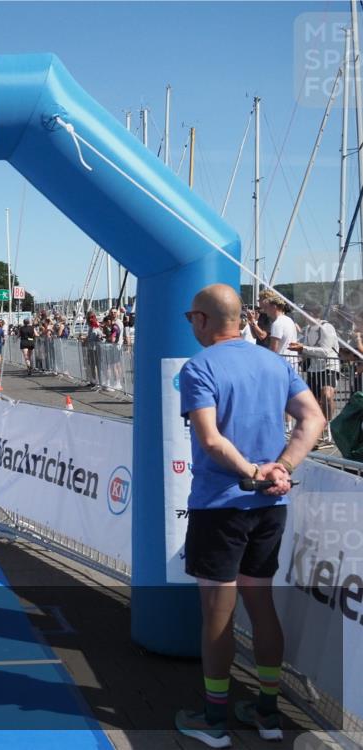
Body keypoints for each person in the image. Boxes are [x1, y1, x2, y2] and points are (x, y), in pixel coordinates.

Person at [175, 284, 326, 748]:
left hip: (223, 506)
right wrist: (282, 468)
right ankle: (267, 713)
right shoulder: (274, 362)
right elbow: (314, 419)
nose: (191, 325)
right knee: (261, 605)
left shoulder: (199, 367)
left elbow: (211, 439)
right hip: (270, 506)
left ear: (202, 319)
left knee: (217, 613)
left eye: (190, 318)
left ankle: (214, 720)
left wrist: (256, 473)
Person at [289, 303, 340, 425]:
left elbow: (326, 351)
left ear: (310, 314)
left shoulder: (326, 327)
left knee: (327, 395)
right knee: (313, 400)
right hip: (314, 368)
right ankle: (319, 426)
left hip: (329, 366)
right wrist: (299, 349)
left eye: (304, 313)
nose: (302, 315)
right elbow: (307, 347)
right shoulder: (308, 329)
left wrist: (303, 348)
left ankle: (328, 425)